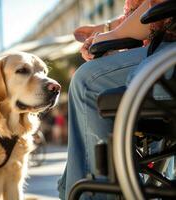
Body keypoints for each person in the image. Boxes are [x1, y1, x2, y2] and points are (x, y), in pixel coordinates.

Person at [58, 0, 176, 199]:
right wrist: (105, 31)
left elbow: (158, 7)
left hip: (166, 53)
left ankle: (95, 194)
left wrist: (110, 36)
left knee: (87, 80)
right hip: (160, 49)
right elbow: (144, 12)